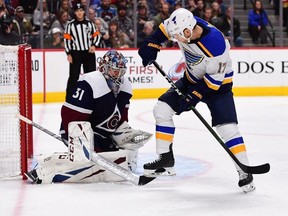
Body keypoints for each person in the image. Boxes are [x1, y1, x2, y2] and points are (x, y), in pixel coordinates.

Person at [138, 8, 256, 193]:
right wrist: (151, 45)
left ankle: (244, 171)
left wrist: (193, 97)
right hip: (191, 78)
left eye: (178, 37)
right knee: (162, 110)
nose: (175, 40)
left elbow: (213, 82)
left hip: (219, 86)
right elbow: (161, 32)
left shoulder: (216, 44)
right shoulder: (181, 23)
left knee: (227, 128)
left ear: (188, 31)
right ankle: (165, 160)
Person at [26, 50, 151, 184]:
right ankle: (46, 166)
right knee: (88, 160)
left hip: (103, 135)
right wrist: (80, 141)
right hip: (78, 131)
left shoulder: (125, 86)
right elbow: (70, 114)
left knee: (124, 157)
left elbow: (121, 118)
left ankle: (89, 162)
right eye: (115, 71)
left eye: (121, 71)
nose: (119, 75)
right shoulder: (90, 82)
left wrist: (122, 137)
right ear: (104, 68)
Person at [63, 2, 101, 100]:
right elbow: (67, 40)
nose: (79, 13)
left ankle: (92, 97)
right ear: (74, 13)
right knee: (73, 77)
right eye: (77, 11)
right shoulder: (70, 25)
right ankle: (69, 99)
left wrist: (94, 45)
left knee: (91, 76)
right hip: (76, 53)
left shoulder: (90, 24)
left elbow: (97, 35)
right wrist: (68, 53)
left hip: (89, 53)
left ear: (84, 12)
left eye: (81, 11)